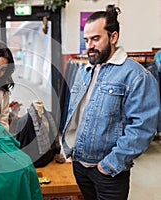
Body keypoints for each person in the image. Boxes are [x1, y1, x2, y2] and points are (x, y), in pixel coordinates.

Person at [61, 5, 160, 200]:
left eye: (96, 39)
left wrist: (108, 166)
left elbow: (142, 128)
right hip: (80, 165)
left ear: (113, 37)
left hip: (109, 172)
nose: (89, 45)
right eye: (86, 40)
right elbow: (76, 113)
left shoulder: (136, 75)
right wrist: (69, 150)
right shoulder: (85, 71)